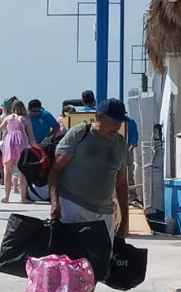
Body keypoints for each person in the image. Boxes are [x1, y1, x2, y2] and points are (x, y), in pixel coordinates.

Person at [49, 98, 130, 241]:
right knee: (74, 259)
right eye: (113, 122)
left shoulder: (120, 143)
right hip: (72, 206)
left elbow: (121, 183)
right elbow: (55, 170)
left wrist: (124, 220)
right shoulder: (78, 134)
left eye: (120, 123)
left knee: (102, 261)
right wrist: (55, 203)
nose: (117, 127)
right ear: (99, 117)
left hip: (104, 213)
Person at [0, 100, 37, 204]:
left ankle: (6, 197)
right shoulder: (25, 119)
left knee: (7, 171)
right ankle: (22, 197)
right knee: (22, 172)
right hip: (21, 145)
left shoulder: (8, 118)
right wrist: (35, 147)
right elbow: (31, 136)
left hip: (8, 144)